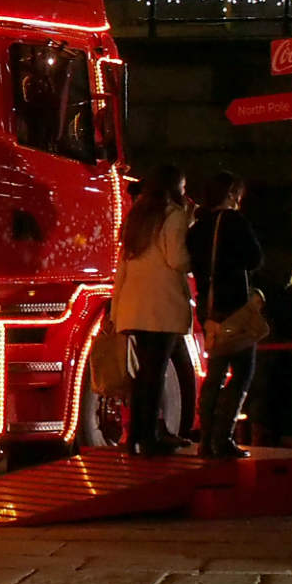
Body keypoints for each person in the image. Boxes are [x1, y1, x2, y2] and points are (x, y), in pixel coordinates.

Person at [111, 164, 195, 456]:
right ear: (174, 188)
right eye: (183, 187)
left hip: (135, 307)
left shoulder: (137, 217)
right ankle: (149, 438)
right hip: (163, 307)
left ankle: (137, 434)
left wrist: (116, 311)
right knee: (155, 373)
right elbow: (178, 260)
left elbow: (122, 267)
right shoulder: (173, 217)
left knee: (145, 374)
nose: (185, 192)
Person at [185, 171, 264, 459]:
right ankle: (224, 436)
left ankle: (206, 438)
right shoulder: (234, 221)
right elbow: (254, 258)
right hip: (234, 306)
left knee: (216, 371)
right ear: (232, 193)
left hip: (208, 305)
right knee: (243, 370)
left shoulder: (197, 227)